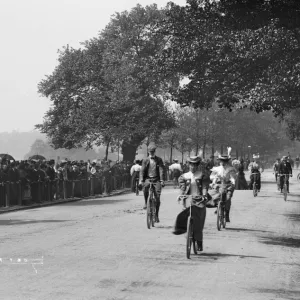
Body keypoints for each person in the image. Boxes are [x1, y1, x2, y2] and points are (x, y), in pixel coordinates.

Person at [174, 156, 209, 251]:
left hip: (199, 200)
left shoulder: (202, 175)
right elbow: (182, 188)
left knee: (199, 222)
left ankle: (199, 241)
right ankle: (185, 230)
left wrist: (205, 195)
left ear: (197, 165)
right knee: (184, 216)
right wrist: (180, 195)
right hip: (188, 199)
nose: (192, 167)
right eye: (191, 165)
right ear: (188, 165)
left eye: (194, 165)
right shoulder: (184, 176)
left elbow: (205, 187)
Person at [139, 143, 164, 222]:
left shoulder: (159, 160)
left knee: (158, 198)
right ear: (148, 152)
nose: (151, 153)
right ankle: (146, 202)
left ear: (154, 151)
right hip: (148, 178)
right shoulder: (145, 160)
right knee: (145, 188)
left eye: (153, 151)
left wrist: (162, 180)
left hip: (157, 179)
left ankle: (156, 215)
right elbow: (142, 170)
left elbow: (161, 170)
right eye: (150, 151)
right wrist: (141, 180)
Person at [210, 148, 236, 222]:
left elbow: (232, 177)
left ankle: (227, 214)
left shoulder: (230, 169)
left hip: (228, 185)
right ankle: (218, 208)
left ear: (227, 161)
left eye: (224, 161)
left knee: (228, 198)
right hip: (219, 185)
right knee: (215, 196)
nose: (222, 162)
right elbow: (213, 177)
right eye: (221, 161)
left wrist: (233, 181)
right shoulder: (217, 169)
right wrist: (213, 182)